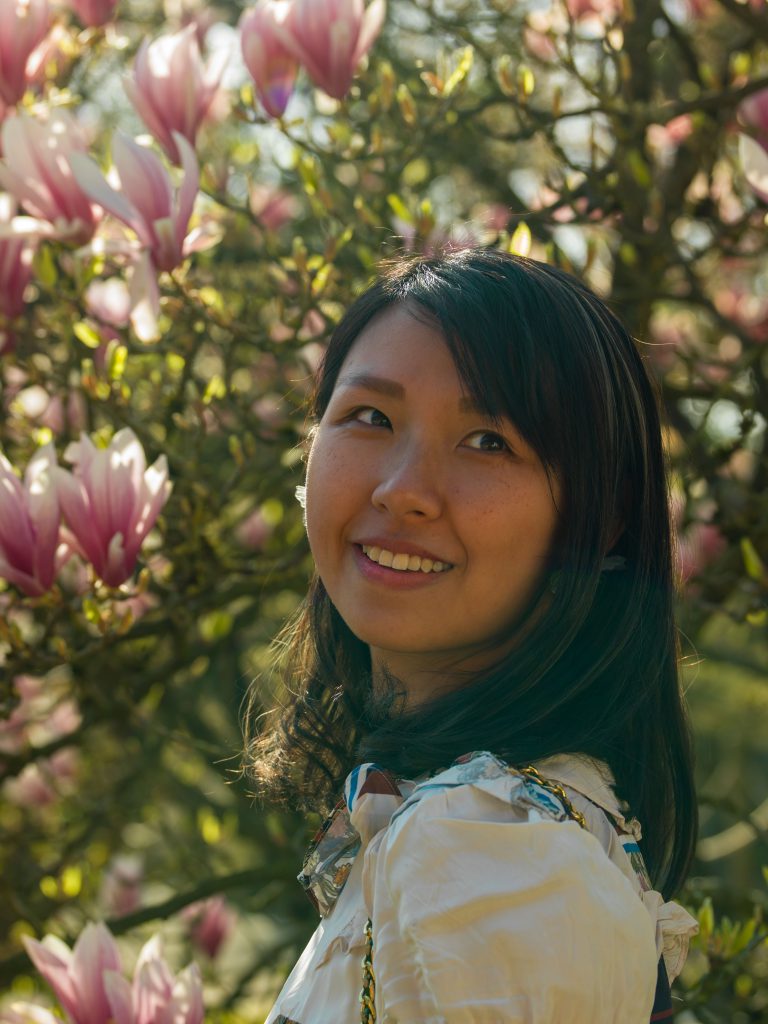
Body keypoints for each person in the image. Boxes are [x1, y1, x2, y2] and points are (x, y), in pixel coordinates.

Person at [245, 248, 700, 1023]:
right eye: (371, 417)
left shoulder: (490, 857)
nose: (403, 491)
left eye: (488, 440)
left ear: (602, 518)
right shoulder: (473, 832)